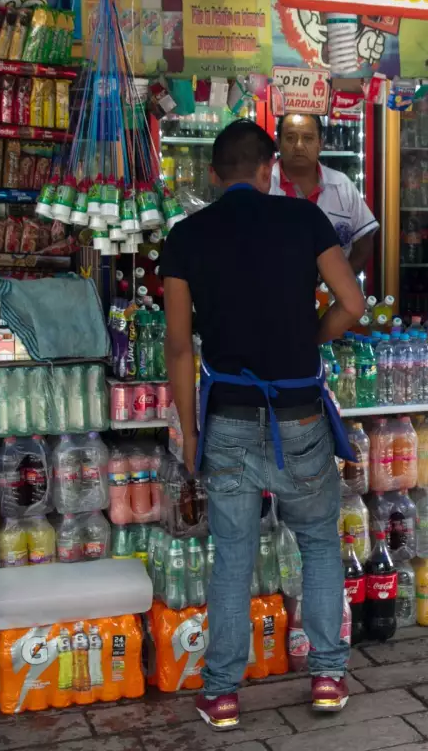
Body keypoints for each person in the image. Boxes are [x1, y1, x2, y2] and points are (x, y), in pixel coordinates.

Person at [161, 121, 366, 730]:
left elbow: (178, 347)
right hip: (299, 415)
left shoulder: (186, 236)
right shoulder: (305, 221)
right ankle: (328, 676)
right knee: (320, 544)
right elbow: (352, 304)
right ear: (267, 169)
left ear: (215, 175)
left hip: (226, 417)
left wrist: (191, 437)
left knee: (232, 556)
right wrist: (311, 336)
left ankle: (221, 692)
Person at [273, 113, 378, 274]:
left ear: (320, 144)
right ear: (278, 143)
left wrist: (341, 286)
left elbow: (364, 241)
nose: (299, 146)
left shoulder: (342, 184)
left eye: (308, 138)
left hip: (331, 296)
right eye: (290, 138)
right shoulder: (264, 185)